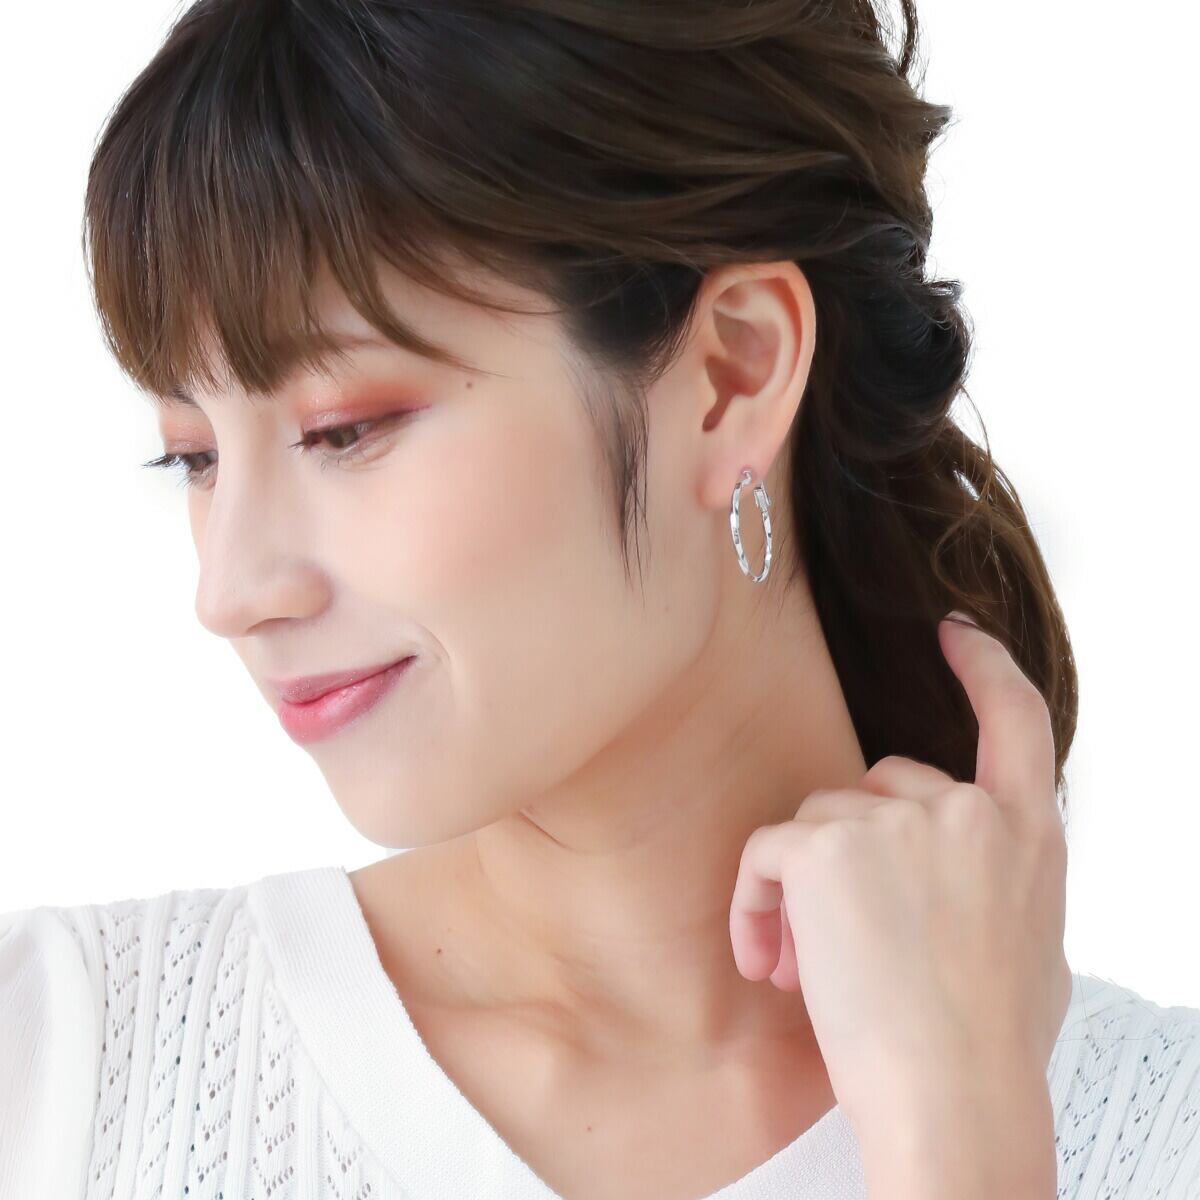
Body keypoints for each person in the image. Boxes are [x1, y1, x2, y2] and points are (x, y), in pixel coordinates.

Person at [3, 1, 1198, 1197]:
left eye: (344, 430)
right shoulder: (62, 1063)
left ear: (732, 376)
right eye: (195, 457)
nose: (229, 591)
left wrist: (965, 1139)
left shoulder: (1157, 1137)